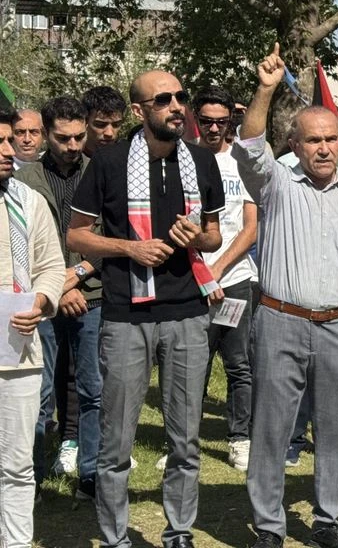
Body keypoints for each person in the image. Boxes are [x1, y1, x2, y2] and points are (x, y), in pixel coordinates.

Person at [67, 72, 225, 548]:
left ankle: (179, 530)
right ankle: (116, 537)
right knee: (117, 442)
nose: (177, 106)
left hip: (187, 313)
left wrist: (196, 238)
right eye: (164, 100)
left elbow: (214, 236)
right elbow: (76, 236)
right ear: (140, 110)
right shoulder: (108, 162)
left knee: (184, 438)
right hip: (124, 315)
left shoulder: (201, 160)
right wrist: (129, 250)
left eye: (181, 97)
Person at [236, 45, 338, 548]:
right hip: (281, 321)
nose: (322, 148)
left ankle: (329, 521)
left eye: (330, 139)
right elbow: (250, 141)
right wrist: (266, 88)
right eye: (312, 140)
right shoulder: (275, 183)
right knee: (272, 428)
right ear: (294, 145)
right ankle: (270, 526)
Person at [20, 96, 102, 503]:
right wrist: (59, 287)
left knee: (93, 388)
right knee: (38, 391)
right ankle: (28, 479)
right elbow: (22, 243)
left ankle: (90, 474)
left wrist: (79, 276)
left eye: (79, 136)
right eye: (63, 137)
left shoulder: (100, 172)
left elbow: (112, 235)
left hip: (94, 296)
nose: (73, 145)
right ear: (46, 133)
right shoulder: (25, 180)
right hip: (41, 299)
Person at [0, 108, 66, 548]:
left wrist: (41, 301)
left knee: (17, 464)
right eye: (2, 143)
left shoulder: (27, 200)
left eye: (11, 141)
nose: (10, 151)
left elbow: (51, 266)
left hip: (17, 351)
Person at [192, 87, 259, 472]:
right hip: (193, 281)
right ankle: (184, 440)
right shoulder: (183, 159)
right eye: (207, 121)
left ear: (231, 120)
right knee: (192, 364)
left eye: (222, 121)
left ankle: (239, 439)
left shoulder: (242, 163)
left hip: (234, 279)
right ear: (195, 120)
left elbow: (251, 228)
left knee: (238, 364)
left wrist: (218, 270)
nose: (215, 128)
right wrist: (202, 272)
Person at [80, 87, 127, 157]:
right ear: (85, 122)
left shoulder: (129, 157)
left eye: (116, 125)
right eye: (100, 125)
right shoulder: (67, 159)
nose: (109, 133)